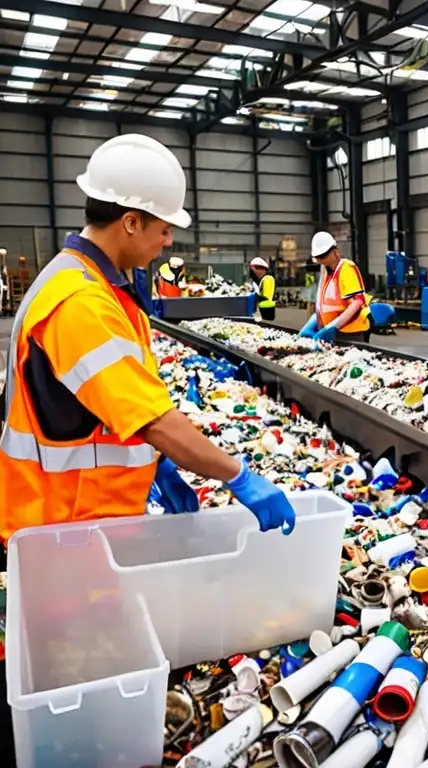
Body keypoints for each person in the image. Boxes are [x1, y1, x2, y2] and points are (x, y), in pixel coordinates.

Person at [0, 133, 295, 545]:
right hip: (64, 529)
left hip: (89, 522)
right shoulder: (80, 302)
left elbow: (111, 404)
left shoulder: (103, 289)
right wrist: (238, 476)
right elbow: (153, 420)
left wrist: (157, 465)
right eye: (165, 228)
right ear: (132, 222)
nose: (169, 241)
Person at [299, 231, 371, 344]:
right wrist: (315, 320)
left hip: (350, 333)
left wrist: (334, 326)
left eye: (323, 256)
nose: (321, 261)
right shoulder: (327, 273)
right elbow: (324, 305)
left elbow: (358, 302)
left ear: (335, 252)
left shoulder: (346, 268)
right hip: (333, 333)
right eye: (318, 258)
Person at [249, 256, 276, 322]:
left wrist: (253, 295)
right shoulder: (261, 281)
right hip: (260, 313)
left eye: (254, 270)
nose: (254, 273)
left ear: (262, 269)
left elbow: (266, 298)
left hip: (266, 312)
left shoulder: (268, 279)